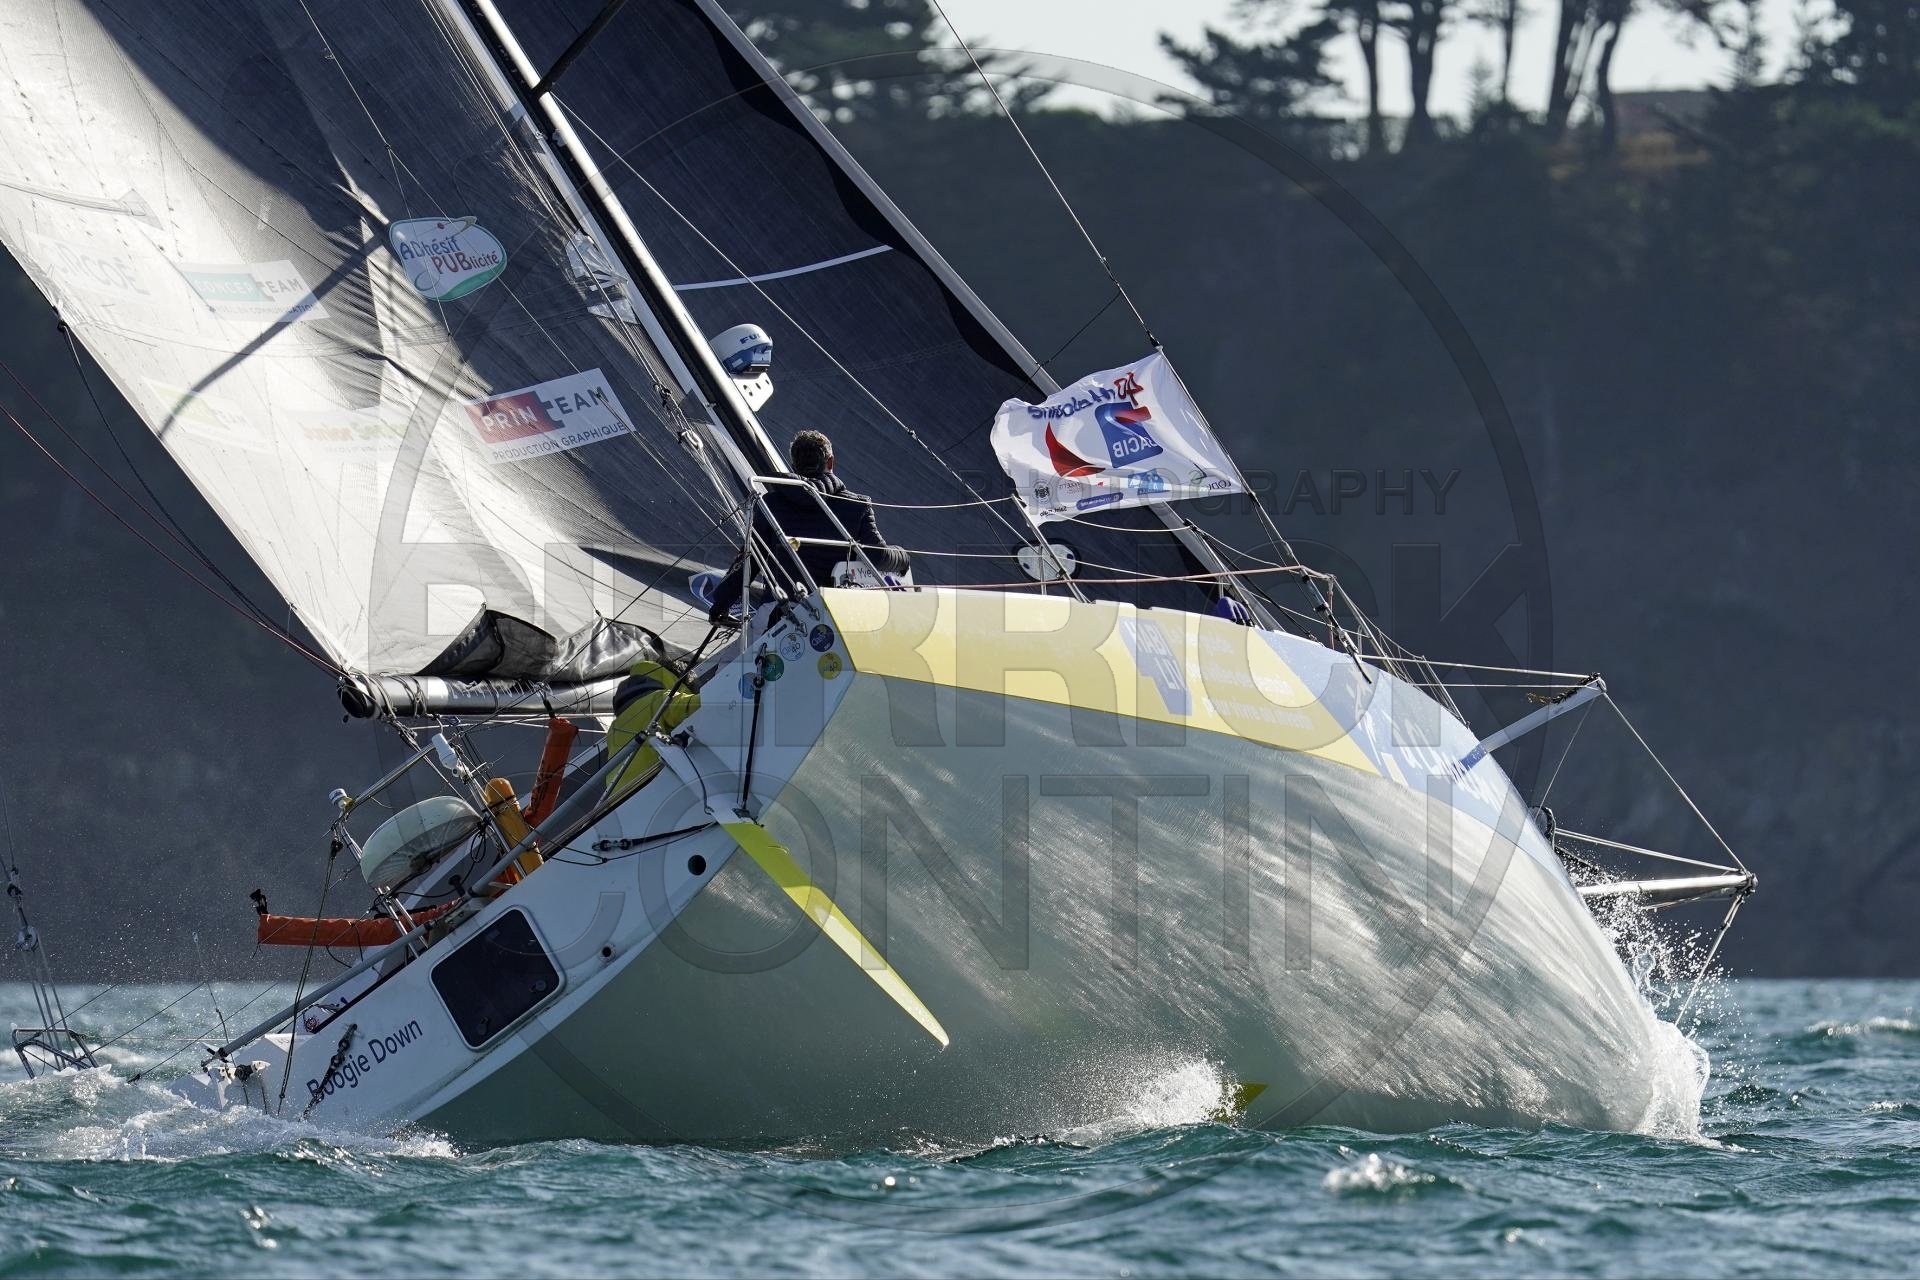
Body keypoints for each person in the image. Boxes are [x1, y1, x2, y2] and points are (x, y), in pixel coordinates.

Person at [707, 430, 911, 624]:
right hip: (832, 617)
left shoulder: (771, 504)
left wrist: (720, 604)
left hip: (777, 615)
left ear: (794, 466)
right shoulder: (857, 506)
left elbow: (749, 560)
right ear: (830, 462)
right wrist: (903, 558)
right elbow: (877, 557)